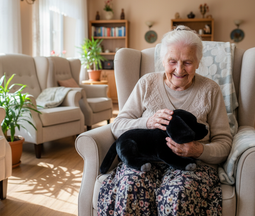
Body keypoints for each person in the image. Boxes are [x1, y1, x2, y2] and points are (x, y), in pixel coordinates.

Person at [97, 26, 233, 215]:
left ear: (198, 62)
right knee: (130, 187)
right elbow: (118, 125)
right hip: (145, 160)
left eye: (187, 62)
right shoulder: (147, 83)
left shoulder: (210, 90)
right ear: (162, 61)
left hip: (191, 165)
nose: (179, 69)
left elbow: (225, 143)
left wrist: (198, 149)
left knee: (177, 195)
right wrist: (147, 123)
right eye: (172, 61)